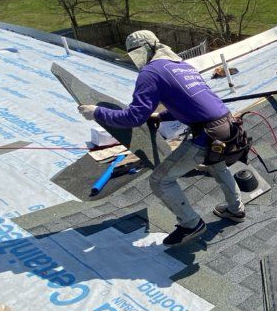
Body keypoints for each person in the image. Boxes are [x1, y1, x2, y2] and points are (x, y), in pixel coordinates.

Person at [77, 30, 247, 247]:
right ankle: (236, 209)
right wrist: (160, 115)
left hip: (208, 135)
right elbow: (192, 103)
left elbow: (134, 116)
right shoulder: (183, 66)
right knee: (218, 166)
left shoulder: (150, 72)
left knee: (160, 180)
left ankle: (190, 224)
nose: (133, 60)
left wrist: (97, 113)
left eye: (133, 54)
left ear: (144, 50)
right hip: (229, 129)